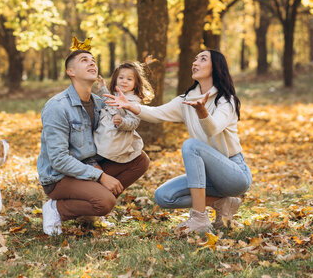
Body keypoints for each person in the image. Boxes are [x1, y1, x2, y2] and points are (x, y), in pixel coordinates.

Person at [105, 50, 252, 233]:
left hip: (234, 174)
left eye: (203, 59)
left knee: (191, 145)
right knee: (163, 196)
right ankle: (223, 203)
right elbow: (157, 113)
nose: (195, 62)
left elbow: (213, 128)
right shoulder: (187, 100)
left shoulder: (225, 101)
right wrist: (130, 106)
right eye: (195, 58)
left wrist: (203, 113)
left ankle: (199, 218)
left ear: (216, 68)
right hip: (208, 177)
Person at [37, 49, 150, 235]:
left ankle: (86, 211)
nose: (92, 63)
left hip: (88, 166)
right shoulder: (57, 106)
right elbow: (58, 159)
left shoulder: (99, 103)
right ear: (70, 72)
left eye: (93, 60)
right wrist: (100, 176)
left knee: (140, 160)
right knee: (105, 202)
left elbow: (116, 130)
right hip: (59, 177)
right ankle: (56, 209)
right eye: (84, 60)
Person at [94, 62, 154, 164]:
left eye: (129, 79)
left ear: (136, 83)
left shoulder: (133, 102)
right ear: (115, 79)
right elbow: (107, 102)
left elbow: (134, 122)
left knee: (102, 156)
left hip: (115, 139)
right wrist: (102, 88)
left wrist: (122, 122)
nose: (124, 81)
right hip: (103, 134)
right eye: (121, 78)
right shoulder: (115, 95)